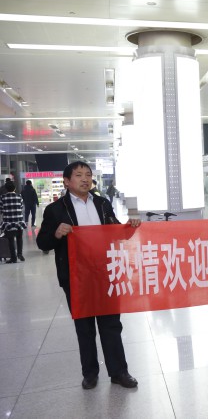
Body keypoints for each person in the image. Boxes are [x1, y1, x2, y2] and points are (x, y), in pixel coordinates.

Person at [36, 161, 140, 389]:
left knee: (111, 324)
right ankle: (90, 373)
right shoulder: (56, 209)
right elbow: (42, 242)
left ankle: (119, 372)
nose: (85, 179)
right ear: (66, 181)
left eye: (88, 174)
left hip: (106, 272)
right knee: (84, 327)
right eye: (79, 175)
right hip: (76, 276)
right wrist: (57, 233)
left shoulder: (102, 203)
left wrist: (129, 227)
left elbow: (115, 232)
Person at [0, 182, 26, 263]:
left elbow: (1, 209)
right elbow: (21, 207)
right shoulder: (19, 196)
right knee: (19, 238)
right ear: (14, 188)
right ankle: (20, 254)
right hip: (19, 222)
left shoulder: (2, 197)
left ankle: (13, 258)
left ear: (6, 189)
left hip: (8, 222)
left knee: (10, 240)